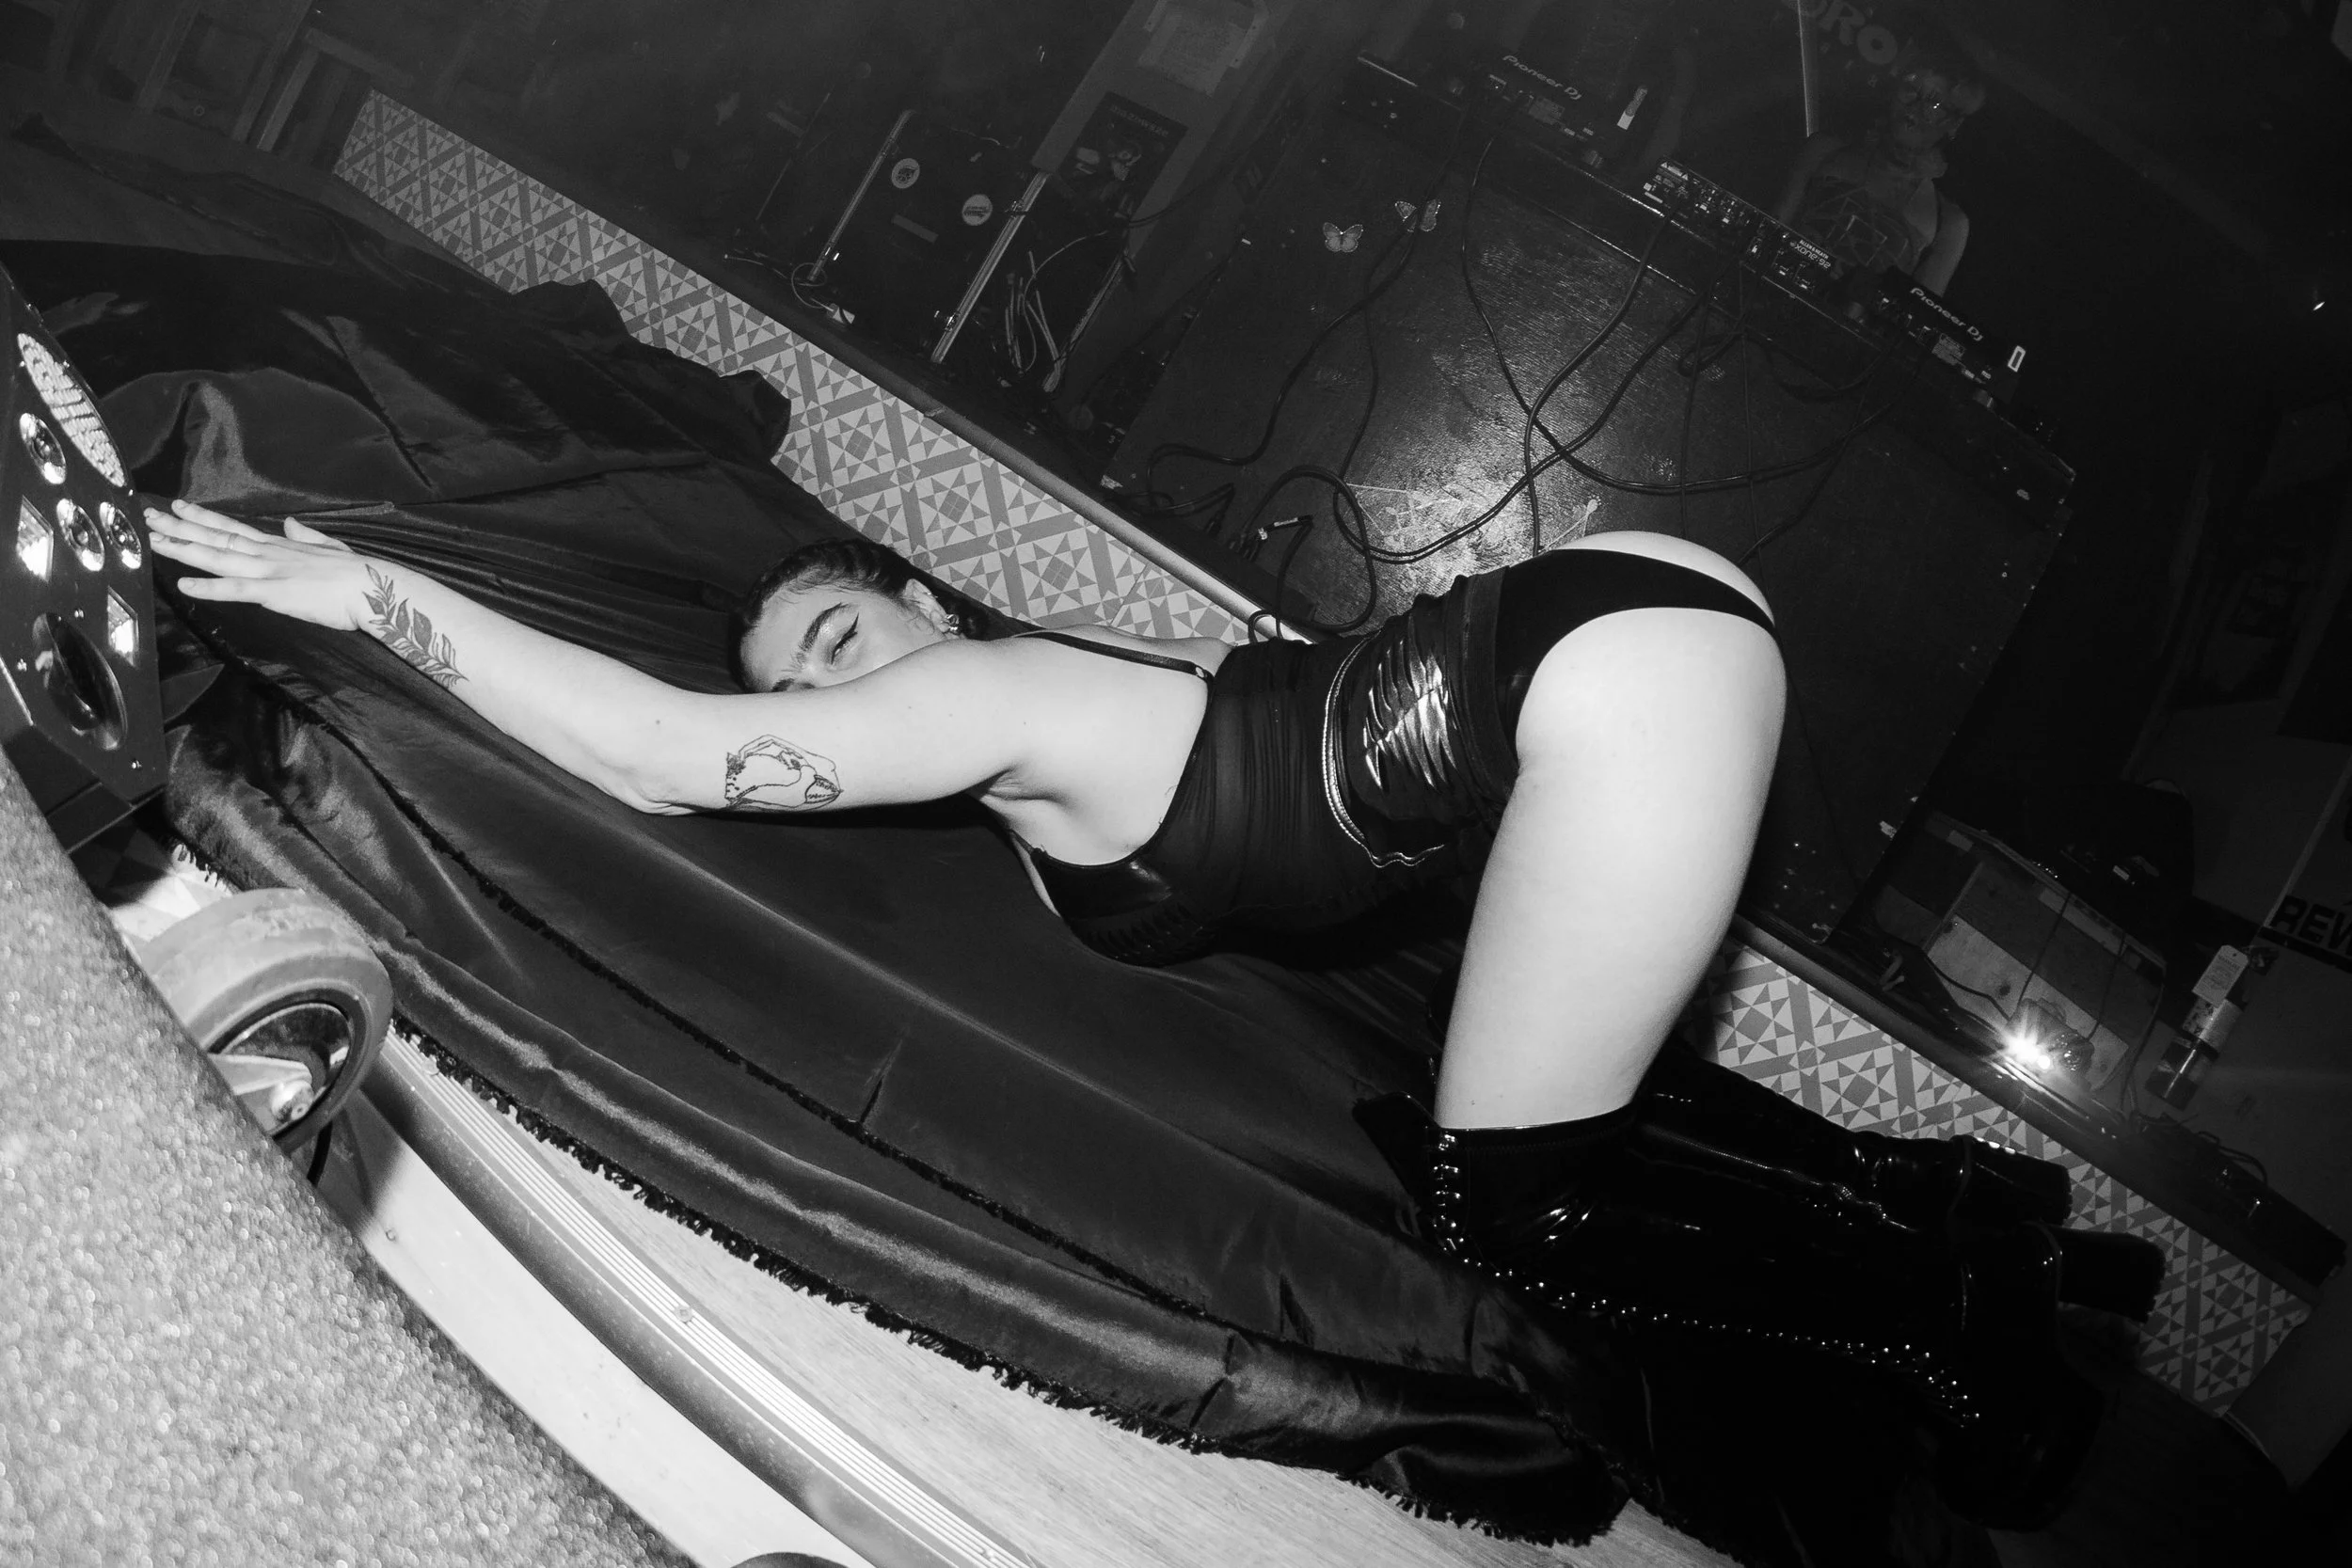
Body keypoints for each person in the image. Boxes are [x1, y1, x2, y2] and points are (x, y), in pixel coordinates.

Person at [147, 500, 2149, 1528]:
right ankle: (1983, 1227)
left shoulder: (983, 692)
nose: (825, 695)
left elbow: (666, 759)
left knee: (1510, 1208)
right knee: (1537, 1122)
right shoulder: (1015, 721)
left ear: (926, 607)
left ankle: (1952, 1329)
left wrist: (362, 590)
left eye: (835, 634)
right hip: (1621, 628)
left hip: (1620, 675)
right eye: (798, 677)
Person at [1773, 45, 1986, 296]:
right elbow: (1768, 232)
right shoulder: (1824, 151)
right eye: (1911, 90)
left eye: (1935, 104)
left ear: (1955, 123)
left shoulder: (1949, 222)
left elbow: (1915, 312)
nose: (1915, 109)